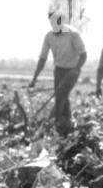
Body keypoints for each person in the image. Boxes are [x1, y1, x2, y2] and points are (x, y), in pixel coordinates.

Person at [29, 9, 87, 137]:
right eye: (52, 22)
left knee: (60, 95)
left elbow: (83, 55)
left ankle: (51, 126)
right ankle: (66, 127)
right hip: (59, 70)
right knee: (62, 98)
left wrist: (76, 69)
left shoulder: (73, 34)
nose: (55, 25)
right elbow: (42, 59)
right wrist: (34, 79)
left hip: (72, 69)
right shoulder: (49, 36)